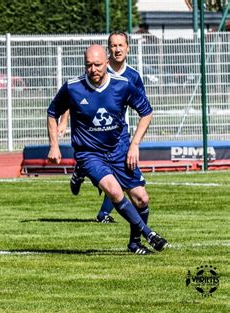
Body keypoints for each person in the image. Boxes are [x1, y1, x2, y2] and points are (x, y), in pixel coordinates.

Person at [47, 44, 168, 255]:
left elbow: (146, 113)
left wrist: (135, 145)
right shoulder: (73, 87)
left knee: (142, 198)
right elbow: (52, 112)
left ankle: (134, 244)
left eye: (97, 65)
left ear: (107, 63)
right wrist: (54, 145)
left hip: (120, 149)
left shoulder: (123, 85)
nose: (93, 69)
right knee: (113, 190)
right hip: (89, 153)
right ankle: (149, 233)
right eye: (88, 65)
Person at [58, 31, 148, 225]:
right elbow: (73, 99)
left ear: (127, 48)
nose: (117, 49)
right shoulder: (96, 71)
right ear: (107, 53)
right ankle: (82, 169)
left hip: (119, 134)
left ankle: (107, 215)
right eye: (113, 46)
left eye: (120, 45)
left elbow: (144, 107)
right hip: (94, 136)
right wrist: (64, 121)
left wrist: (135, 143)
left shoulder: (132, 76)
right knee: (112, 180)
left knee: (125, 183)